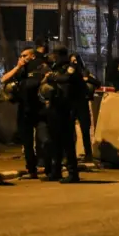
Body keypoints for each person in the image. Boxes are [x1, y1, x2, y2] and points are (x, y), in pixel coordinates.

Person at [1, 48, 51, 179]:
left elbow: (49, 83)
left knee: (45, 140)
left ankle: (49, 168)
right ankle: (31, 169)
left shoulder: (42, 67)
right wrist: (17, 67)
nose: (22, 57)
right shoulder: (21, 70)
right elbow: (3, 80)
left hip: (40, 110)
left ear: (32, 56)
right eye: (21, 56)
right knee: (27, 143)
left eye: (25, 55)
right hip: (24, 110)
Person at [42, 45, 83, 183]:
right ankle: (56, 171)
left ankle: (73, 173)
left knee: (67, 142)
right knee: (55, 141)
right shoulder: (56, 68)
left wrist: (52, 77)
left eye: (54, 55)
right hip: (56, 108)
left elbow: (66, 79)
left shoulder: (70, 67)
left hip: (67, 108)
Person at [69, 53, 99, 162]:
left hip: (82, 103)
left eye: (76, 61)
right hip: (71, 104)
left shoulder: (84, 72)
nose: (74, 63)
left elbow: (97, 83)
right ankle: (71, 155)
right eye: (72, 61)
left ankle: (88, 154)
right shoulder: (68, 73)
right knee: (70, 131)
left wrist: (87, 79)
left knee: (85, 130)